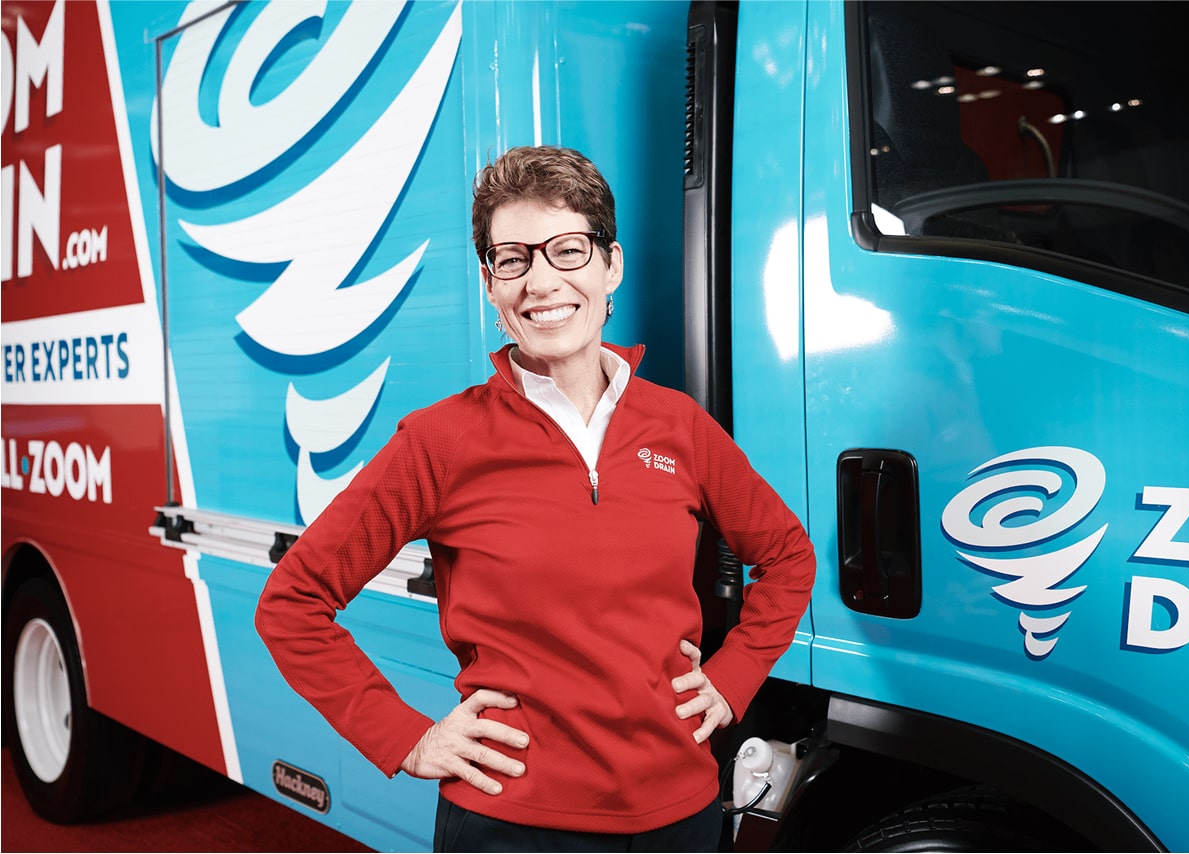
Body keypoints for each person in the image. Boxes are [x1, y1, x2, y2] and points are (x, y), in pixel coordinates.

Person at [255, 145, 816, 852]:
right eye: (513, 259)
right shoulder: (440, 441)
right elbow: (292, 603)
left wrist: (732, 680)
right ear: (490, 285)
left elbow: (788, 557)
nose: (541, 281)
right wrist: (407, 738)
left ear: (611, 266)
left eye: (567, 250)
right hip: (512, 824)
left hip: (681, 816)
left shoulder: (679, 427)